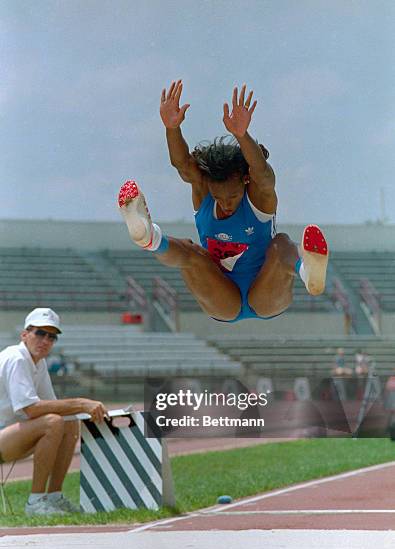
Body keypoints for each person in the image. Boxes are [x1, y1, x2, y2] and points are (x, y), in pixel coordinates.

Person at [118, 80, 329, 323]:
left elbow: (263, 173)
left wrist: (242, 135)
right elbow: (182, 165)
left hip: (265, 294)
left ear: (245, 182)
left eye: (233, 196)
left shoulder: (259, 198)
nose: (226, 203)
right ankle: (148, 237)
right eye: (219, 197)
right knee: (192, 253)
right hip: (222, 298)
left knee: (281, 244)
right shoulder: (204, 193)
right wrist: (172, 128)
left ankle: (307, 272)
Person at [0, 308, 108, 516]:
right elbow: (31, 410)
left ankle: (53, 496)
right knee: (52, 422)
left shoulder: (38, 363)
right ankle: (35, 502)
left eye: (52, 336)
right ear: (25, 334)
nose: (46, 340)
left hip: (9, 435)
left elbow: (52, 404)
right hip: (4, 435)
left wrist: (78, 408)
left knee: (68, 421)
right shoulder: (17, 359)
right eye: (40, 333)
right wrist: (82, 403)